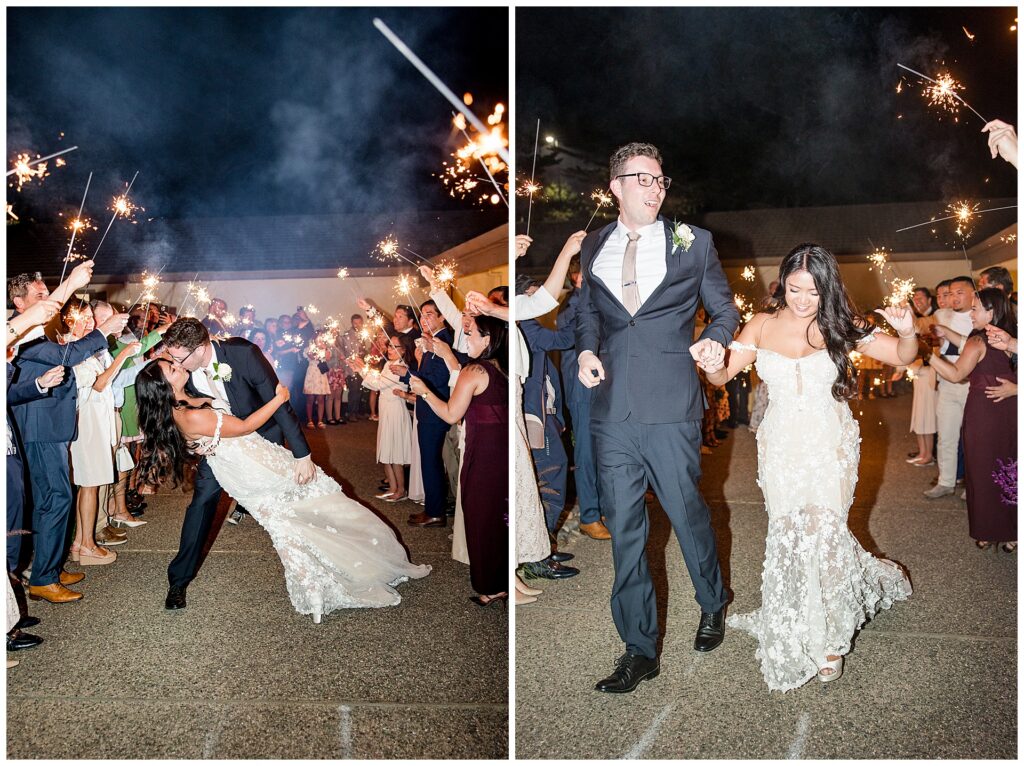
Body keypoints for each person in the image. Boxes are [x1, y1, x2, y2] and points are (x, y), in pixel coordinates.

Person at [703, 243, 914, 690]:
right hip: (780, 445)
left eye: (813, 292)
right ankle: (794, 611)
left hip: (829, 443)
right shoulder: (760, 324)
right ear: (783, 283)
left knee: (826, 529)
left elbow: (903, 356)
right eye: (795, 289)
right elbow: (722, 375)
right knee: (789, 528)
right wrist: (710, 364)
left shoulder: (840, 325)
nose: (802, 300)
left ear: (828, 291)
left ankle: (832, 637)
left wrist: (908, 330)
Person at [574, 142, 739, 693]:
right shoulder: (593, 244)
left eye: (661, 179)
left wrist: (716, 341)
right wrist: (586, 350)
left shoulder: (694, 243)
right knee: (625, 532)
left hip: (671, 406)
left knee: (687, 512)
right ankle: (638, 648)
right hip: (611, 410)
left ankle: (712, 600)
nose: (656, 187)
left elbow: (724, 309)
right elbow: (589, 314)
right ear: (616, 185)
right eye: (644, 179)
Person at [135, 360, 430, 622]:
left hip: (242, 464)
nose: (177, 364)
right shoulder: (189, 414)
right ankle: (353, 568)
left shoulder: (188, 398)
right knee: (321, 498)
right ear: (164, 387)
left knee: (286, 525)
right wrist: (278, 399)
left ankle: (316, 590)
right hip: (253, 464)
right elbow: (245, 425)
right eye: (171, 368)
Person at [156, 318, 315, 610]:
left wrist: (301, 453)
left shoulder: (244, 354)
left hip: (259, 439)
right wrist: (192, 442)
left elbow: (278, 401)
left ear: (201, 348)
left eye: (179, 358)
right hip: (220, 445)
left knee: (282, 506)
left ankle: (314, 568)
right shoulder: (184, 369)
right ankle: (178, 582)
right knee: (201, 504)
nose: (174, 364)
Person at [9, 267, 129, 603]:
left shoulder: (40, 331)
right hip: (40, 429)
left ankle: (52, 566)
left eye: (48, 295)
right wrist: (103, 330)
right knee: (54, 499)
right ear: (19, 303)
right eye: (39, 296)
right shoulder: (23, 336)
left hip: (54, 428)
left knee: (54, 499)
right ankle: (44, 577)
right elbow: (68, 356)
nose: (48, 302)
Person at [409, 315, 508, 606]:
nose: (466, 340)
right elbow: (463, 377)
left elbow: (452, 414)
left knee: (480, 517)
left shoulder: (473, 370)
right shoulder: (499, 368)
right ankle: (503, 579)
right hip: (500, 452)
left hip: (482, 454)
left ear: (487, 339)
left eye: (470, 334)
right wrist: (449, 356)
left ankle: (490, 586)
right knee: (498, 515)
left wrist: (424, 391)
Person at [928, 288, 1017, 551]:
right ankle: (1013, 532)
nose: (971, 314)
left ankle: (987, 531)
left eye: (976, 309)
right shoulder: (1011, 335)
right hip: (1012, 411)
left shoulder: (979, 340)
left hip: (985, 414)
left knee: (982, 470)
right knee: (1011, 468)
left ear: (992, 312)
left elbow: (956, 374)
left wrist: (928, 355)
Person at [66, 304, 142, 565]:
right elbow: (99, 384)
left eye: (90, 318)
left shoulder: (90, 349)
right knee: (89, 486)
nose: (87, 323)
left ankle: (80, 543)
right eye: (83, 318)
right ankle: (86, 543)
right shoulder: (71, 348)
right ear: (69, 321)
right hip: (87, 423)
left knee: (92, 485)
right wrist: (124, 355)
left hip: (100, 420)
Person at [396, 302, 452, 528]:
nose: (424, 318)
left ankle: (435, 512)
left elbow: (436, 378)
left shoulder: (442, 340)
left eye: (430, 314)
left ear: (442, 317)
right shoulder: (432, 340)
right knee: (430, 462)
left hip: (434, 409)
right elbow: (425, 374)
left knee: (431, 462)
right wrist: (407, 373)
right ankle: (433, 508)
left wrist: (410, 373)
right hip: (428, 407)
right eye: (422, 315)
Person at [925, 276, 975, 499]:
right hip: (947, 381)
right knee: (946, 433)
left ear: (973, 292)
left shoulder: (978, 316)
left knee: (973, 436)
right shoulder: (942, 315)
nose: (953, 298)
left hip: (971, 383)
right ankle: (946, 480)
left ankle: (974, 485)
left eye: (959, 292)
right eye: (950, 293)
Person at [356, 334, 414, 502]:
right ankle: (393, 487)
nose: (390, 350)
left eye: (395, 347)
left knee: (395, 453)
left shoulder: (402, 367)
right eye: (389, 346)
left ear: (404, 350)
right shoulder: (388, 364)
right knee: (386, 451)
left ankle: (401, 490)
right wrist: (362, 368)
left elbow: (379, 384)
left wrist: (361, 369)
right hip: (386, 410)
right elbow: (379, 381)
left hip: (395, 411)